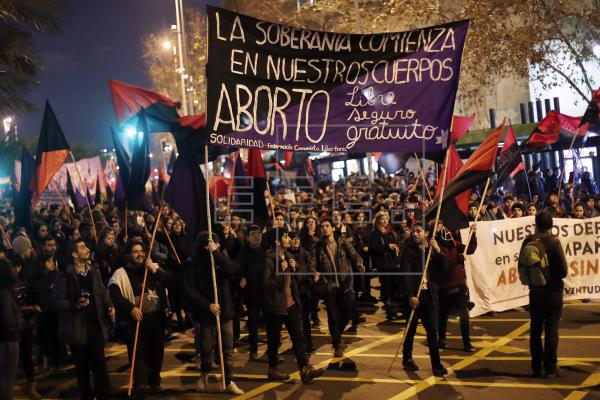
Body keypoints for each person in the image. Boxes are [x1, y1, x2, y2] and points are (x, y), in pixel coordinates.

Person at [182, 232, 244, 395]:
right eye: (210, 243)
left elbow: (232, 269)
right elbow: (191, 290)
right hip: (207, 312)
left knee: (227, 349)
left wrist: (216, 253)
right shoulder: (194, 263)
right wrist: (207, 305)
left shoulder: (219, 257)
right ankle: (204, 375)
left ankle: (229, 380)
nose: (214, 244)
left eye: (216, 242)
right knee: (207, 347)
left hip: (225, 311)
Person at [53, 239, 113, 400]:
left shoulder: (93, 270)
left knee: (100, 364)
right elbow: (57, 301)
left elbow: (101, 290)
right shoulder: (65, 276)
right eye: (82, 247)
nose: (86, 249)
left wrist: (109, 304)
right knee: (83, 368)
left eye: (86, 246)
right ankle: (87, 396)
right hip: (77, 328)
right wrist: (75, 304)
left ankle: (104, 395)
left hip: (95, 325)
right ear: (74, 254)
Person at [109, 240, 169, 399]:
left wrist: (155, 270)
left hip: (156, 319)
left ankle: (154, 381)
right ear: (128, 255)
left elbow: (170, 281)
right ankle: (140, 384)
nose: (140, 254)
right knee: (139, 354)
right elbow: (114, 294)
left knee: (157, 352)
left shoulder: (151, 268)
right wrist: (131, 308)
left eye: (141, 251)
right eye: (135, 251)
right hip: (136, 321)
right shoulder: (120, 273)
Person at [262, 227, 324, 383]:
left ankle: (305, 369)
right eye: (285, 237)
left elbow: (296, 280)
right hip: (275, 305)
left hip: (291, 303)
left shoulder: (288, 255)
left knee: (298, 337)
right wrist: (279, 272)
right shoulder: (268, 259)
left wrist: (295, 268)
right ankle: (273, 369)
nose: (289, 239)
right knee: (274, 340)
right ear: (277, 241)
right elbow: (265, 284)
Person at [519, 211, 568, 378]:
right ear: (551, 224)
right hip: (553, 291)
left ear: (536, 223)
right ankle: (550, 367)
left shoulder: (528, 241)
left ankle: (535, 366)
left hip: (535, 291)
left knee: (535, 328)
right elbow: (563, 271)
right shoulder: (553, 242)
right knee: (551, 328)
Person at [311, 218, 365, 358]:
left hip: (346, 284)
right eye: (322, 226)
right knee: (333, 317)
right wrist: (314, 272)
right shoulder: (317, 247)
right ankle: (337, 343)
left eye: (327, 226)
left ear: (332, 229)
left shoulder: (342, 241)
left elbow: (354, 255)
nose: (324, 228)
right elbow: (313, 264)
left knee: (347, 314)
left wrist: (359, 263)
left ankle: (337, 334)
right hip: (330, 287)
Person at [400, 224, 448, 376]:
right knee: (410, 331)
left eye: (418, 231)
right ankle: (407, 359)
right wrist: (409, 296)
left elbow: (444, 268)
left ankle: (436, 364)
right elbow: (405, 274)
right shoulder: (408, 250)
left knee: (432, 331)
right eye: (414, 231)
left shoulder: (431, 250)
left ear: (426, 233)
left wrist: (438, 251)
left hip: (429, 296)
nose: (415, 234)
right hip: (414, 296)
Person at [435, 222, 477, 353]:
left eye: (442, 226)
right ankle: (441, 339)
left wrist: (473, 234)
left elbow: (470, 249)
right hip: (443, 285)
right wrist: (459, 257)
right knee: (443, 315)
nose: (443, 230)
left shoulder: (453, 243)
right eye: (438, 227)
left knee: (464, 315)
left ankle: (467, 342)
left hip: (458, 285)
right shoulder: (434, 246)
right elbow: (444, 263)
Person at [238, 225, 266, 361]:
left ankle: (272, 350)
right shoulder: (243, 252)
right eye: (253, 233)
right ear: (248, 237)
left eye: (259, 233)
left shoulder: (266, 250)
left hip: (267, 293)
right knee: (253, 323)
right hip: (252, 294)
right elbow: (239, 270)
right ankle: (253, 350)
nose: (256, 236)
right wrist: (242, 278)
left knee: (271, 323)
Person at [0, 258, 24, 400]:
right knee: (7, 381)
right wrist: (21, 321)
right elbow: (9, 320)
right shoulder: (4, 293)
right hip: (7, 341)